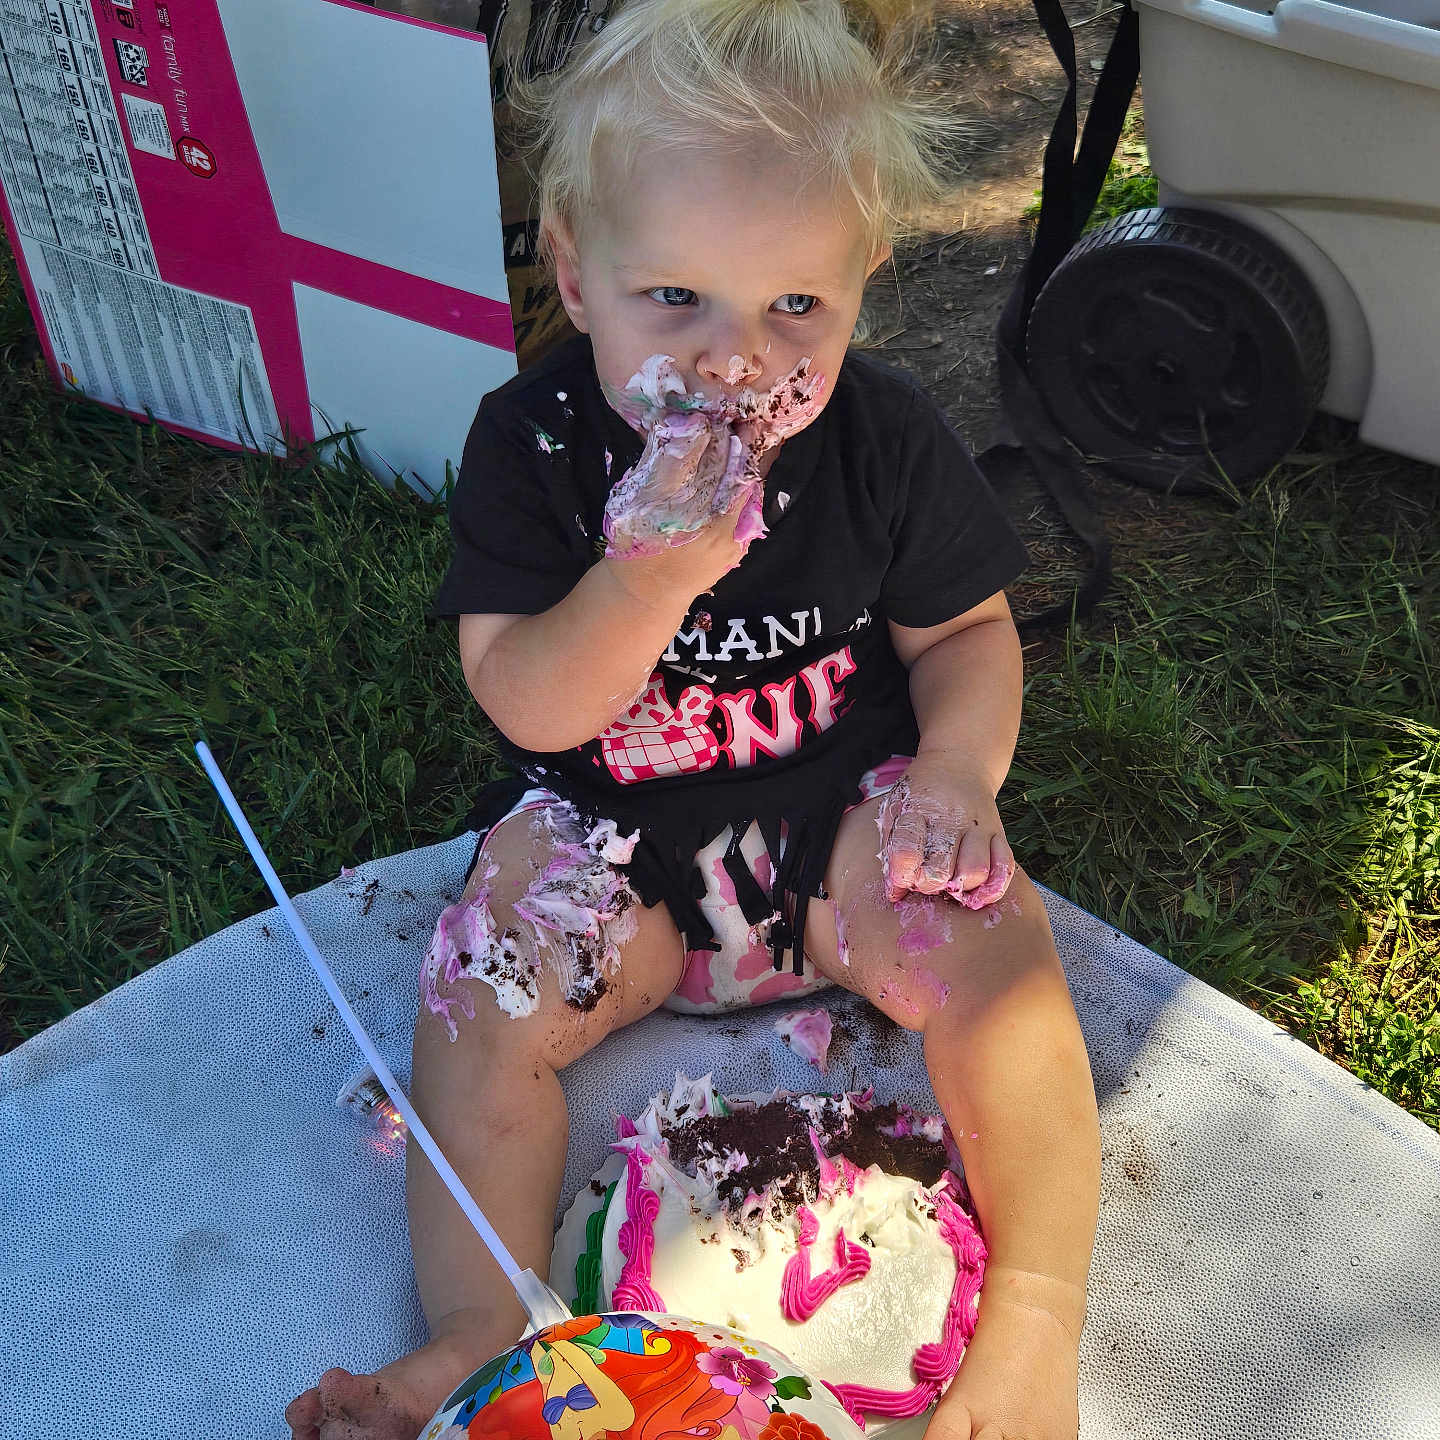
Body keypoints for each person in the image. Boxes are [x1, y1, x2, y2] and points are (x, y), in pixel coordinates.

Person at [286, 1, 1101, 1436]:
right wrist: (646, 579)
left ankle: (1034, 1318)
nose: (736, 361)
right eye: (676, 300)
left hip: (844, 835)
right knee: (476, 998)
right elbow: (526, 698)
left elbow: (966, 633)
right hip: (616, 858)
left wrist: (961, 774)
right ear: (575, 273)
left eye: (797, 306)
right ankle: (482, 1325)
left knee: (999, 943)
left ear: (865, 283)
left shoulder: (879, 438)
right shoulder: (532, 442)